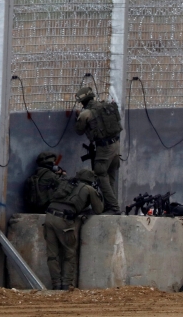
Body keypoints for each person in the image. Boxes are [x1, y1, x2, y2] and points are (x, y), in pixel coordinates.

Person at [44, 168, 103, 290]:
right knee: (69, 253)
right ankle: (66, 285)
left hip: (49, 217)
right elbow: (99, 209)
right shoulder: (88, 189)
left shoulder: (66, 183)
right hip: (64, 220)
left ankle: (56, 284)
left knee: (52, 255)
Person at [73, 85, 121, 214]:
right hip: (116, 145)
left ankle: (114, 208)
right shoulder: (105, 106)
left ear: (82, 102)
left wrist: (77, 117)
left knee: (100, 175)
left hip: (104, 148)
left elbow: (79, 130)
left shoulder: (86, 113)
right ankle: (111, 206)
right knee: (110, 177)